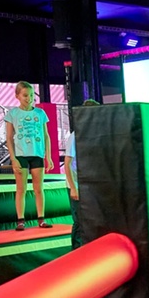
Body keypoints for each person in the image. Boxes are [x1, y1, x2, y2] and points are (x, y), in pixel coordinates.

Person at [4, 81, 54, 231]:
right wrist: (13, 158)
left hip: (37, 154)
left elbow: (46, 136)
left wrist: (48, 156)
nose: (29, 98)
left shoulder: (40, 113)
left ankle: (41, 218)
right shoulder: (13, 114)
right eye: (25, 95)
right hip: (21, 155)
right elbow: (9, 138)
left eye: (31, 95)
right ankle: (20, 220)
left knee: (39, 188)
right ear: (17, 96)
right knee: (21, 188)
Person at [64, 99, 100, 249]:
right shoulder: (75, 135)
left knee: (91, 220)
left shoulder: (94, 134)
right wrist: (73, 187)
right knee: (79, 221)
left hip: (88, 184)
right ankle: (76, 251)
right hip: (76, 184)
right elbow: (67, 164)